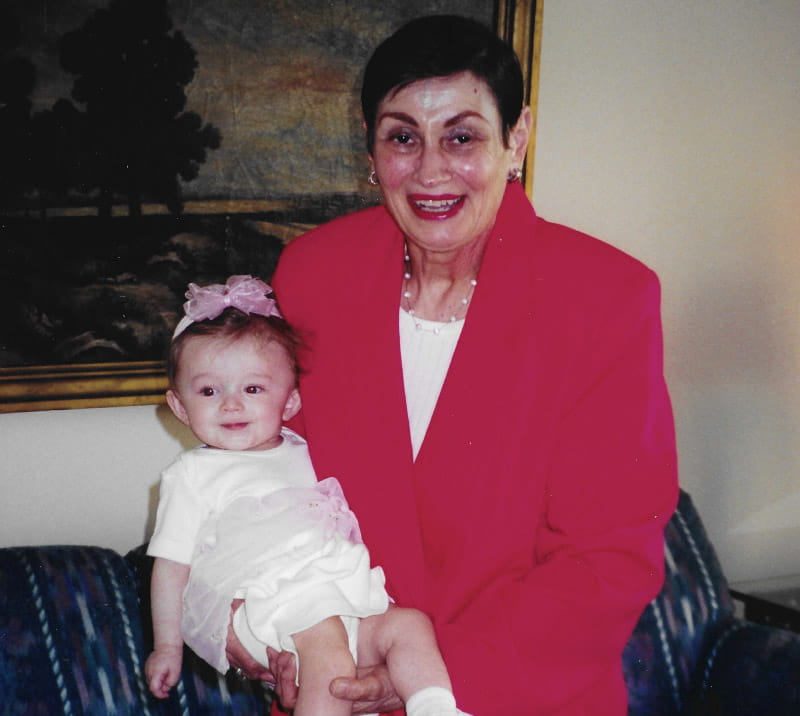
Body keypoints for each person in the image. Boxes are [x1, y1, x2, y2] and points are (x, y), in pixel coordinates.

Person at [227, 14, 680, 716]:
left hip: (519, 696)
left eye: (462, 137)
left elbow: (607, 561)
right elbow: (268, 478)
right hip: (342, 691)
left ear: (516, 139)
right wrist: (263, 633)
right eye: (403, 137)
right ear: (372, 150)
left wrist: (421, 678)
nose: (432, 171)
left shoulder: (605, 297)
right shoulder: (314, 274)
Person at [144, 275, 467, 716]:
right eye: (209, 391)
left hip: (341, 591)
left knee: (409, 626)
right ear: (180, 406)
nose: (232, 405)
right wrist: (168, 646)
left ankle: (436, 708)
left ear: (291, 402)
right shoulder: (193, 474)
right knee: (330, 657)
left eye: (253, 389)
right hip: (263, 604)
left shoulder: (307, 451)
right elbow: (171, 566)